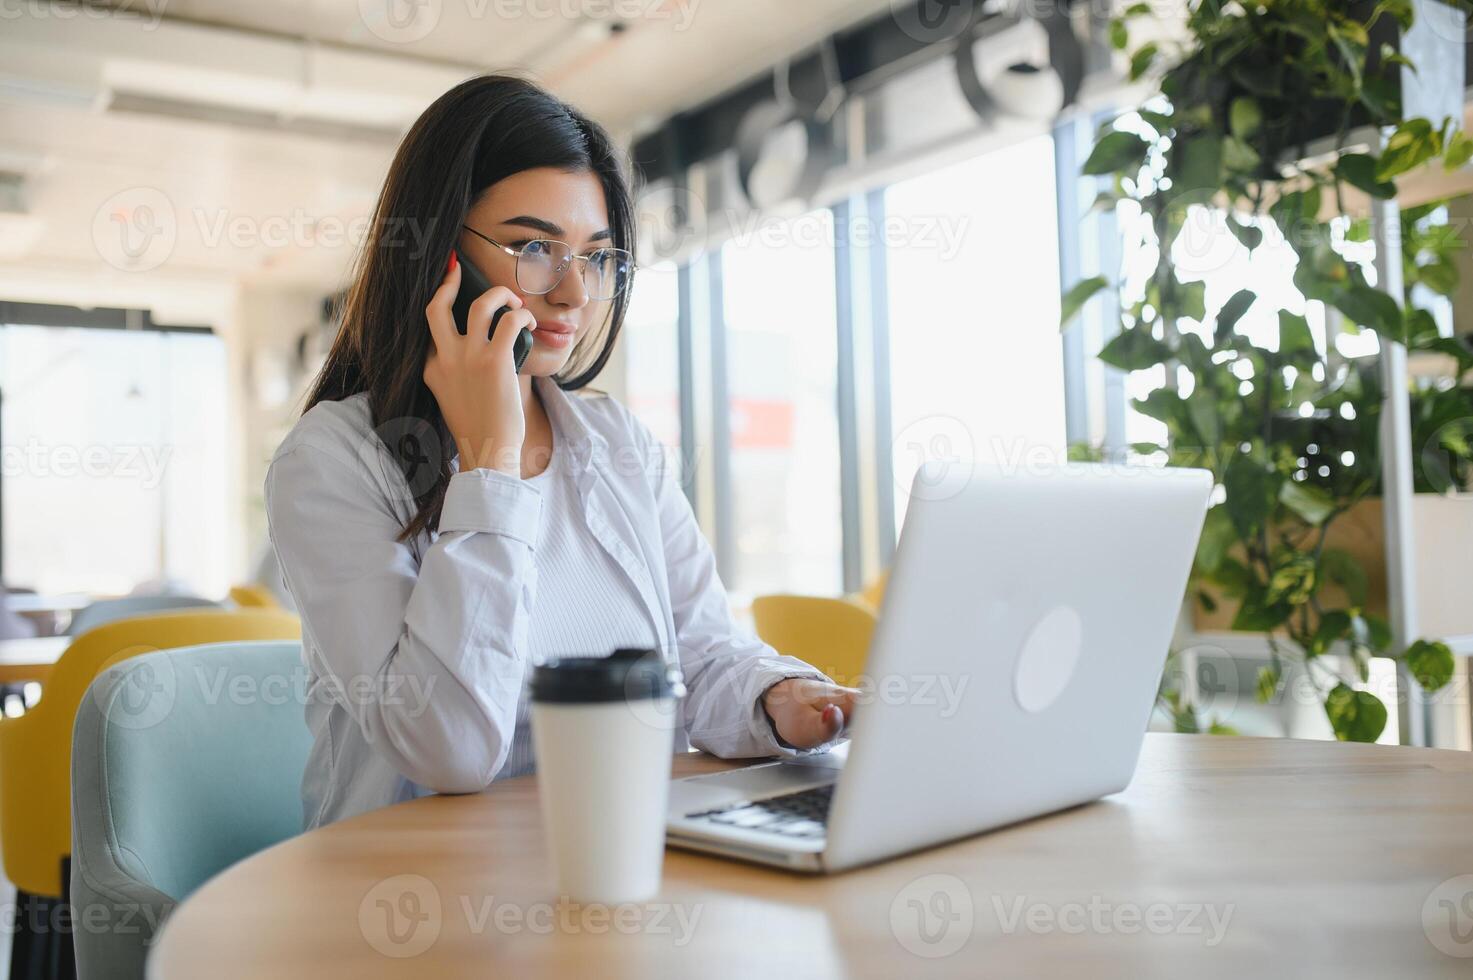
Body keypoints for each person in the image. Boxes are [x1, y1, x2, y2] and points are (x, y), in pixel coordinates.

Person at [266, 74, 858, 830]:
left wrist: (779, 697)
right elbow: (448, 747)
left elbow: (702, 656)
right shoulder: (331, 462)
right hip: (419, 892)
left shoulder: (616, 443)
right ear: (438, 251)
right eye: (535, 247)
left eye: (598, 255)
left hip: (622, 847)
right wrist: (489, 464)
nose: (575, 292)